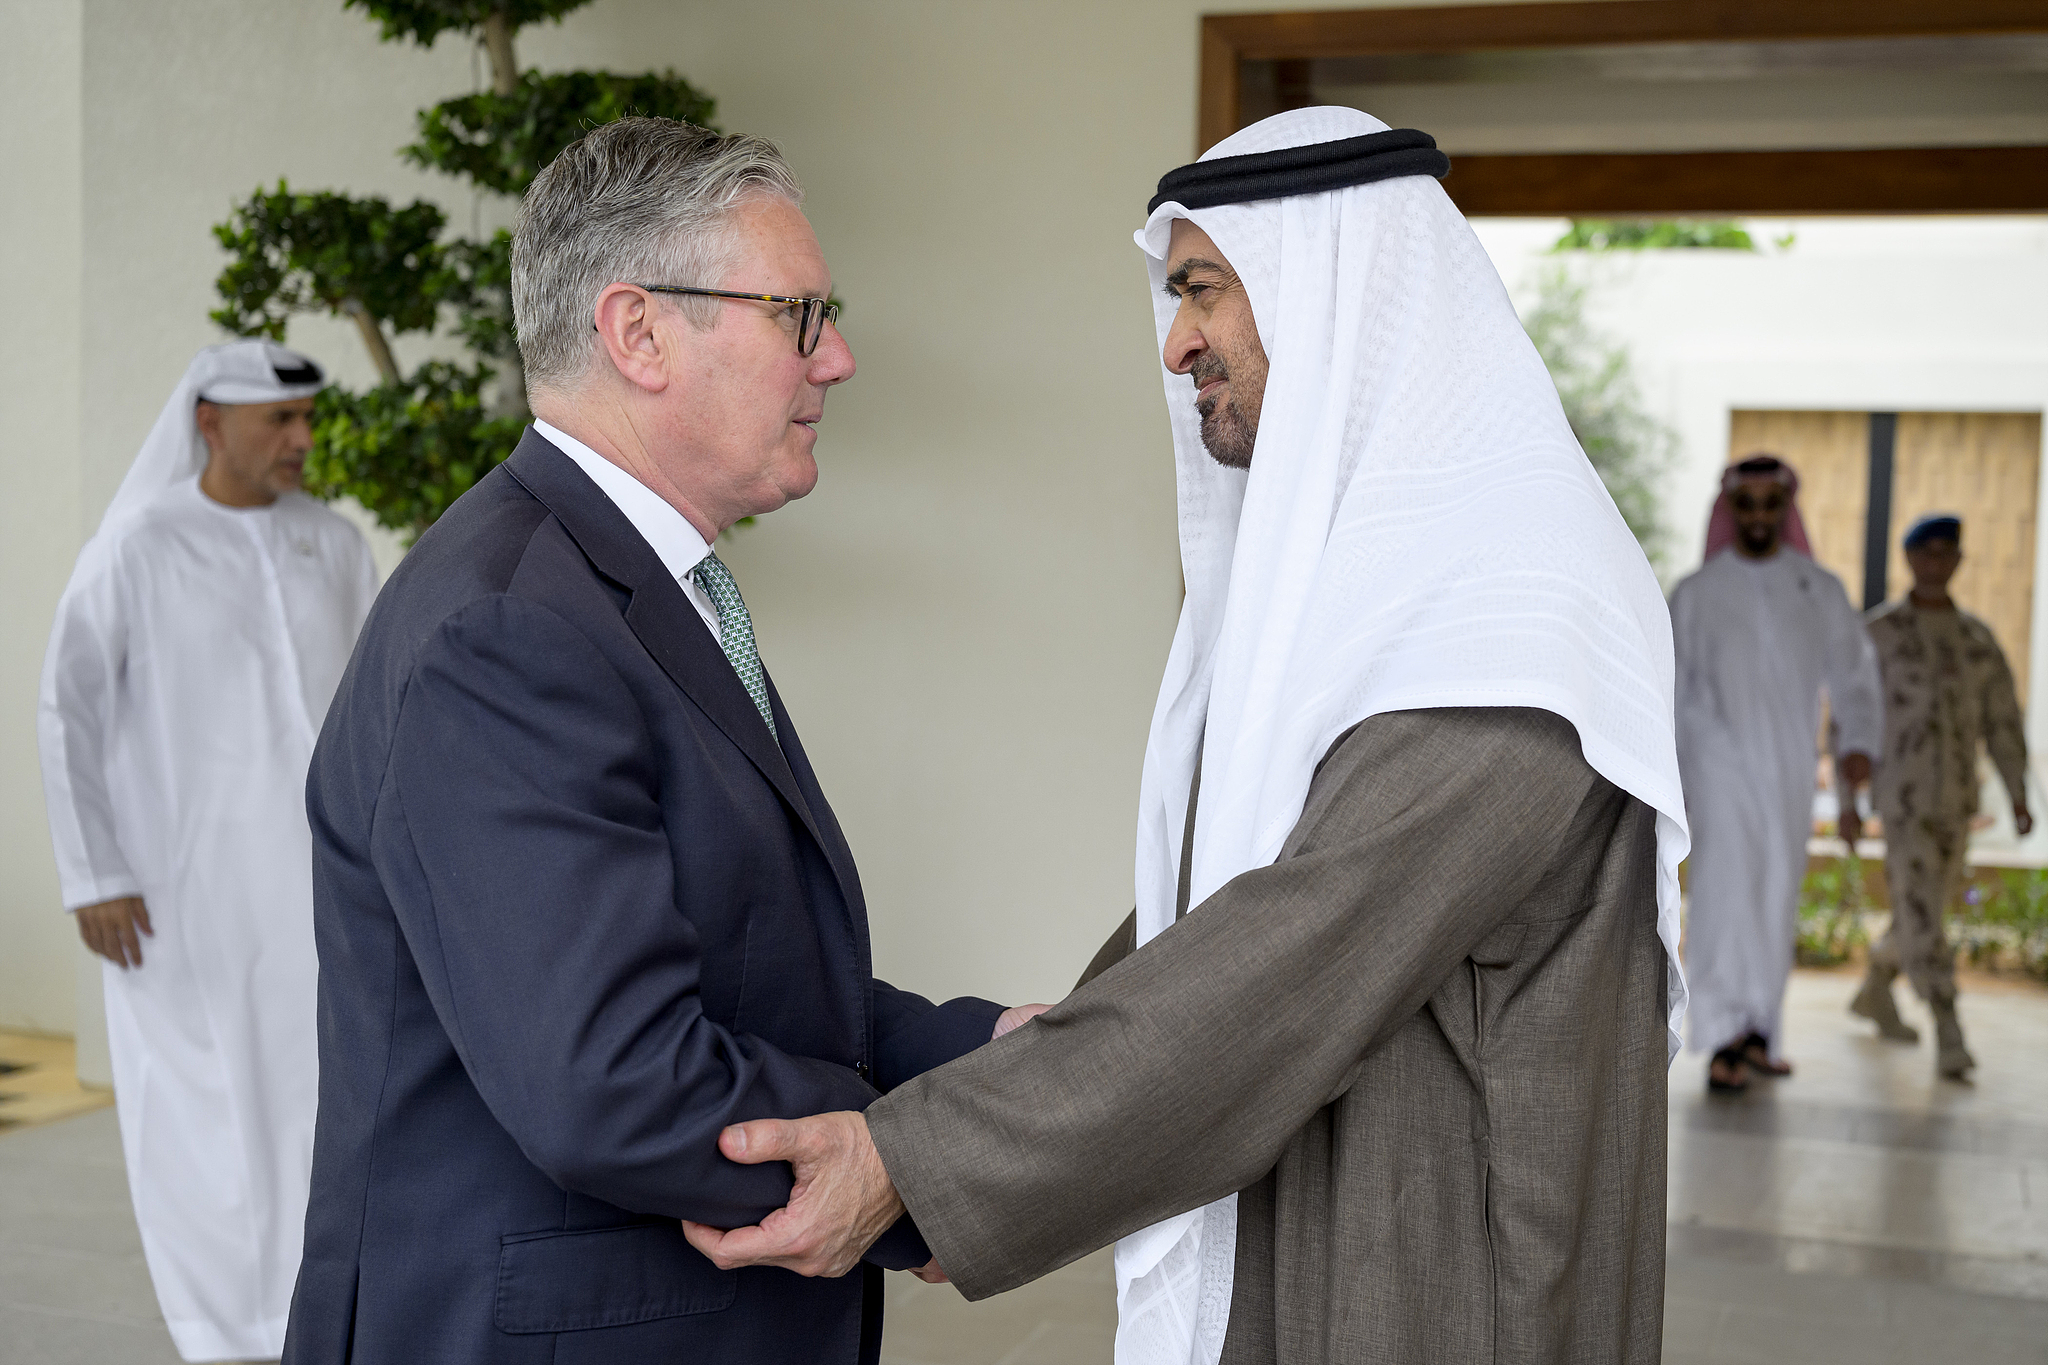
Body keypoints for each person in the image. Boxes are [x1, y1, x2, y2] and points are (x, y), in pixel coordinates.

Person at [681, 107, 1689, 1365]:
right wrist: (1019, 1089)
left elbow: (1287, 956)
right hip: (1313, 1218)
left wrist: (927, 1164)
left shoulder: (1509, 612)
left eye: (1204, 289)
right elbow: (1233, 894)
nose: (1175, 345)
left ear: (1330, 291)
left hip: (1441, 1277)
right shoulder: (1383, 587)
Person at [282, 119, 1031, 1365]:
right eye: (798, 315)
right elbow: (613, 1078)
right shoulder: (509, 630)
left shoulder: (616, 585)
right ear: (637, 333)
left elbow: (730, 966)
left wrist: (983, 1056)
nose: (837, 358)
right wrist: (921, 1168)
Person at [37, 340, 375, 1362]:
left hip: (322, 889)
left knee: (316, 1103)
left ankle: (311, 1315)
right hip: (178, 894)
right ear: (209, 422)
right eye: (281, 421)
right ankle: (221, 1334)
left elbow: (374, 708)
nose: (302, 439)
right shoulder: (138, 545)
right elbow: (64, 711)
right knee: (200, 1116)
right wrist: (93, 873)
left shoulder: (335, 542)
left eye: (307, 418)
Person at [1669, 455, 1884, 1093]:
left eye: (1770, 503)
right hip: (1715, 765)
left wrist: (1858, 741)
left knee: (1775, 894)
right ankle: (1724, 1038)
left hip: (1789, 768)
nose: (1758, 515)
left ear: (1785, 509)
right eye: (1747, 503)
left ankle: (1760, 1031)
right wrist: (1679, 773)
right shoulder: (1697, 593)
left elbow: (1852, 673)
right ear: (1730, 508)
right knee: (1724, 897)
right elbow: (1674, 688)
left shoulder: (1818, 588)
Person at [1851, 513, 2030, 1078]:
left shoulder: (1976, 640)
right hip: (1903, 802)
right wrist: (1848, 801)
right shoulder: (1879, 635)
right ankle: (1948, 1026)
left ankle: (1876, 984)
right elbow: (1853, 722)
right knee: (1923, 913)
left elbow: (2003, 723)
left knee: (1921, 909)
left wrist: (2018, 794)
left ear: (1957, 560)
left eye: (1945, 551)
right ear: (1909, 558)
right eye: (1924, 551)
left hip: (1956, 802)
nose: (1934, 561)